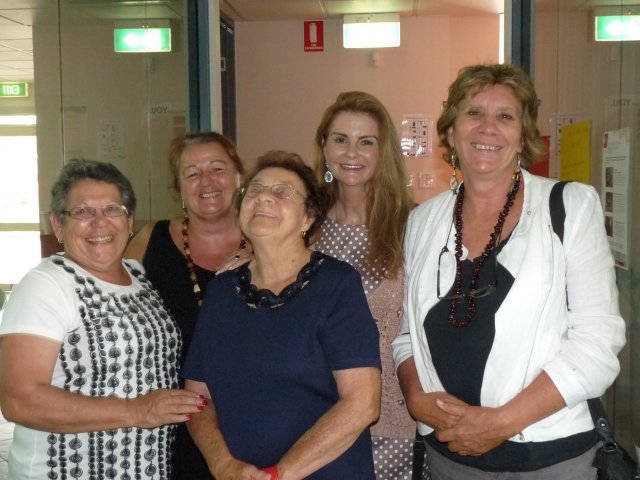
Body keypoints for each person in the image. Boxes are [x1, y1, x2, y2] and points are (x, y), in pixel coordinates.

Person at [392, 63, 627, 479]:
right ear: (450, 131)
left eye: (505, 116)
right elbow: (408, 336)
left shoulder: (570, 206)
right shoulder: (423, 221)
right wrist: (415, 397)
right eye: (473, 113)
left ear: (523, 135)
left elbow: (597, 344)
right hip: (449, 455)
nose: (488, 128)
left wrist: (500, 424)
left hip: (549, 457)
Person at [0, 159, 205, 480]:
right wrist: (135, 411)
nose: (99, 223)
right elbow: (19, 400)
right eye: (82, 212)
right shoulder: (47, 284)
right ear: (57, 224)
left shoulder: (138, 276)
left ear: (129, 220)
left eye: (112, 209)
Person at [182, 151, 382, 480]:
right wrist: (222, 464)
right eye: (255, 190)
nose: (264, 198)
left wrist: (280, 474)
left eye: (282, 193)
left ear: (308, 218)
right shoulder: (222, 291)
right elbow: (197, 396)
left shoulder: (336, 284)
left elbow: (363, 404)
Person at [125, 131, 247, 479]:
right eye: (192, 173)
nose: (206, 181)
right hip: (169, 419)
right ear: (178, 187)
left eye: (217, 169)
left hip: (251, 413)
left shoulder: (269, 240)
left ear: (239, 176)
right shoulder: (151, 240)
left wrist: (258, 252)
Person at [312, 91, 417, 479]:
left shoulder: (413, 227)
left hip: (391, 423)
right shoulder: (303, 225)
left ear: (382, 151)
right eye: (340, 139)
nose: (351, 152)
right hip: (315, 417)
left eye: (366, 142)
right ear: (324, 146)